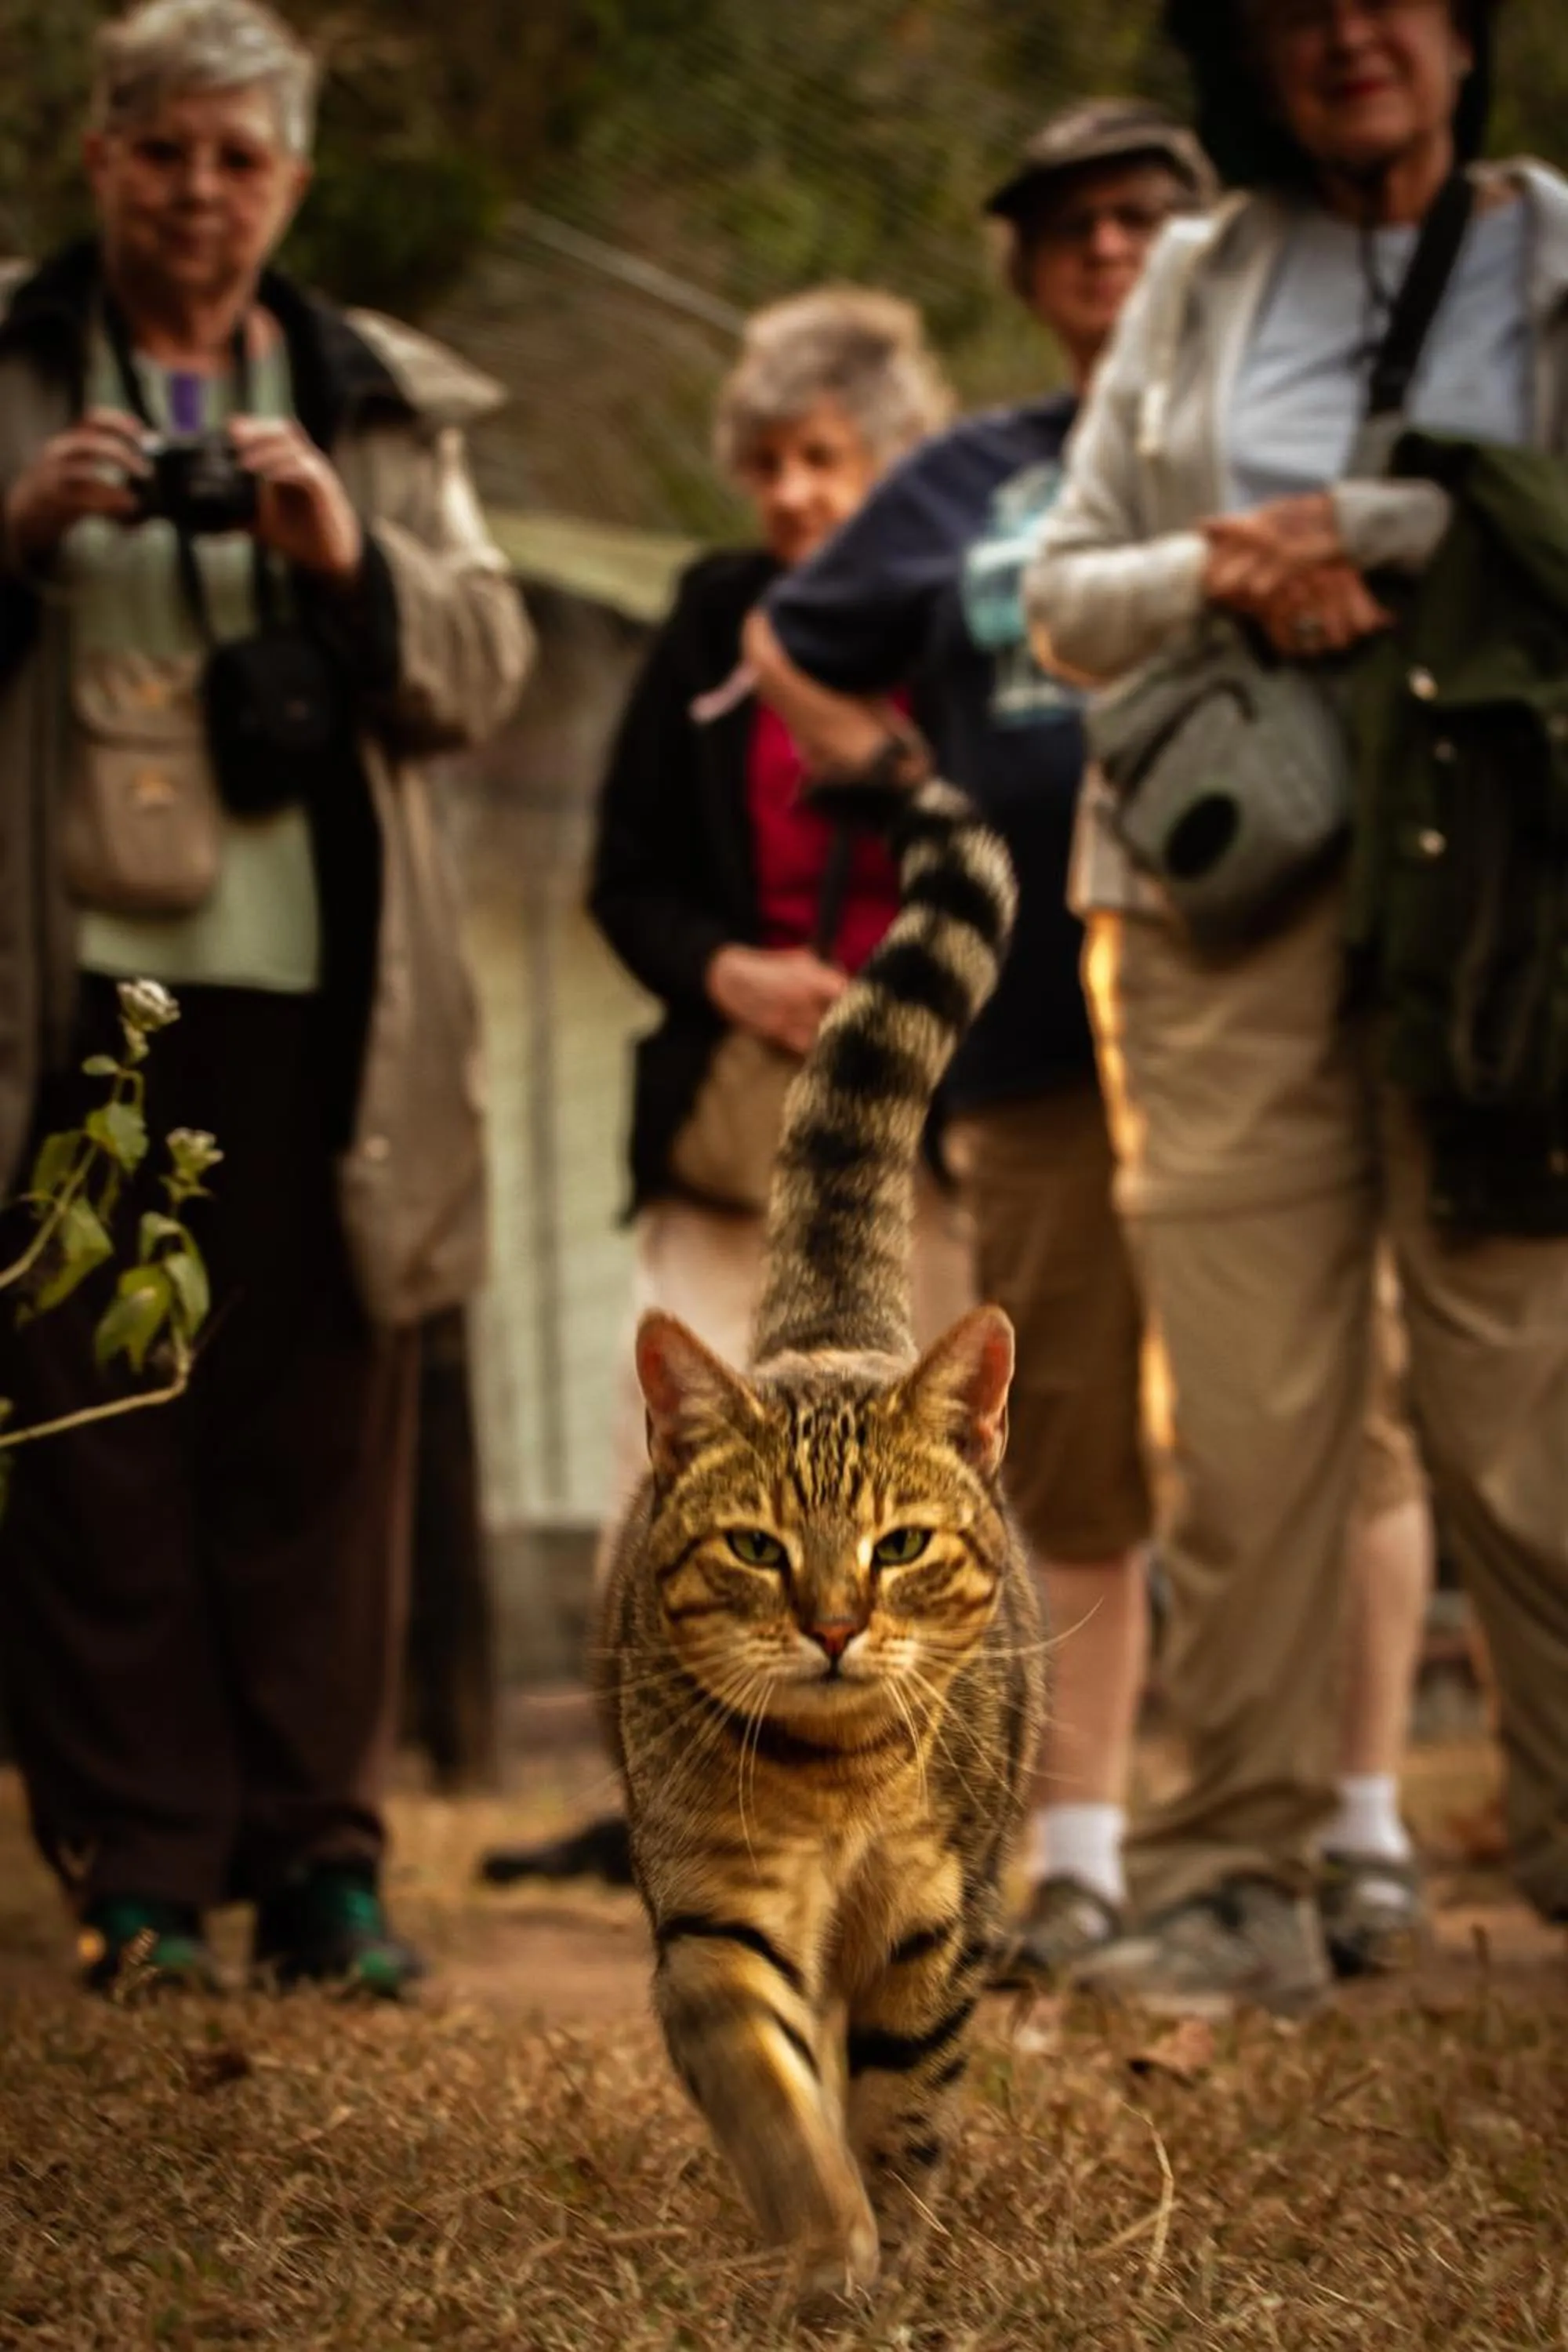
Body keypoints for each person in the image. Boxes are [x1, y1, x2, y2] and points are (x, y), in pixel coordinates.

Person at [746, 100, 1436, 1987]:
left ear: (1209, 248)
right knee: (1057, 1453)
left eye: (1144, 218)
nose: (1108, 254)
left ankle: (1354, 1834)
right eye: (1068, 230)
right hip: (1040, 1025)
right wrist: (900, 781)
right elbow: (792, 630)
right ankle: (1083, 1859)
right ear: (1030, 270)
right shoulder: (971, 474)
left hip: (1283, 991)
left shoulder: (1292, 435)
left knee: (1330, 1428)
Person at [1028, 0, 1568, 2012]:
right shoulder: (1194, 272)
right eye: (1297, 1)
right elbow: (1063, 600)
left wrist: (1388, 530)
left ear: (1467, 29)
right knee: (1243, 1429)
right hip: (1214, 905)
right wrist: (1228, 569)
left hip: (1507, 904)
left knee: (1527, 1401)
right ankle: (1226, 1878)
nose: (1351, 32)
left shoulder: (1553, 245)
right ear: (1240, 49)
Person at [0, 0, 531, 1995]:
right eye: (164, 150)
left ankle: (324, 1867)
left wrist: (345, 558)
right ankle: (134, 1876)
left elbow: (477, 666)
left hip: (328, 1008)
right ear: (99, 156)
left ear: (292, 181)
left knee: (318, 1435)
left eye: (241, 158)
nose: (202, 192)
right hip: (68, 1007)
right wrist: (25, 526)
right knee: (92, 1435)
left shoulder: (378, 396)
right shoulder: (17, 360)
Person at [477, 288, 965, 1894]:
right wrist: (731, 974)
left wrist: (904, 986)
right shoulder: (708, 617)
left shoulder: (963, 620)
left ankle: (936, 1815)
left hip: (930, 1113)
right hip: (725, 1108)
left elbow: (1005, 845)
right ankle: (666, 1799)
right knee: (683, 1460)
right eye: (766, 461)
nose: (794, 494)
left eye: (826, 457)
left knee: (917, 1483)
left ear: (896, 459)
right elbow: (624, 876)